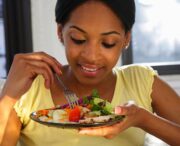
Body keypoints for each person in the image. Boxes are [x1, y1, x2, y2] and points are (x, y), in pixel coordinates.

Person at [0, 0, 180, 146]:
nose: (91, 57)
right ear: (60, 32)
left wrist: (143, 119)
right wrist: (7, 96)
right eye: (78, 40)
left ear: (126, 38)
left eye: (108, 43)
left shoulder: (141, 82)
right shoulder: (31, 88)